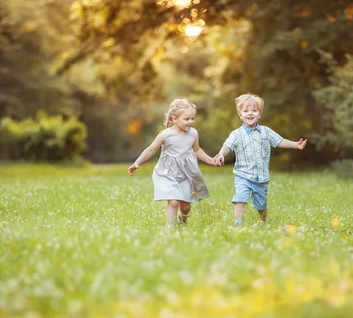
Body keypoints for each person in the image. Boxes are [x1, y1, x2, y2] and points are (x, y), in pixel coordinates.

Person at [214, 93, 308, 226]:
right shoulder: (236, 134)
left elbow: (279, 141)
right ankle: (237, 222)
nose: (250, 113)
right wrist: (220, 155)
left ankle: (263, 221)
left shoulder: (266, 131)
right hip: (243, 175)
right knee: (240, 197)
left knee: (261, 205)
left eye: (254, 110)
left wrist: (295, 145)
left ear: (259, 114)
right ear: (241, 115)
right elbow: (227, 146)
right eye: (246, 111)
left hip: (261, 177)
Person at [128, 97, 215, 227]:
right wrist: (137, 162)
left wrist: (211, 160)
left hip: (186, 174)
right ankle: (170, 229)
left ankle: (182, 222)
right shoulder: (165, 135)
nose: (190, 122)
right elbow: (151, 149)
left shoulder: (193, 134)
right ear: (174, 119)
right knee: (174, 202)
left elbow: (197, 150)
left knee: (185, 208)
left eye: (192, 118)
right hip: (167, 173)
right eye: (186, 119)